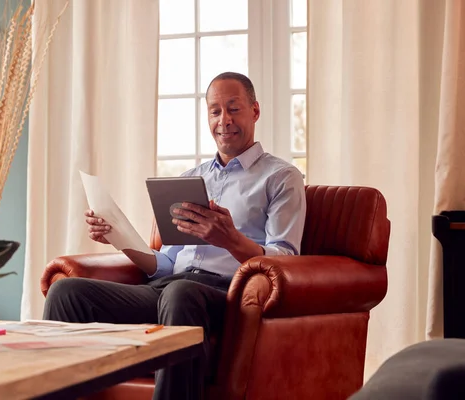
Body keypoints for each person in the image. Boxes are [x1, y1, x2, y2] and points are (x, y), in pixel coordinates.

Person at [43, 72, 307, 400]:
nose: (224, 120)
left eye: (233, 109)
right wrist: (119, 238)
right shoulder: (190, 178)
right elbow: (167, 264)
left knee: (180, 293)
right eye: (215, 111)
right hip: (170, 289)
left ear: (254, 111)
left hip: (228, 296)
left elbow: (285, 259)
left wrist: (230, 240)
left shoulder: (281, 177)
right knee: (67, 292)